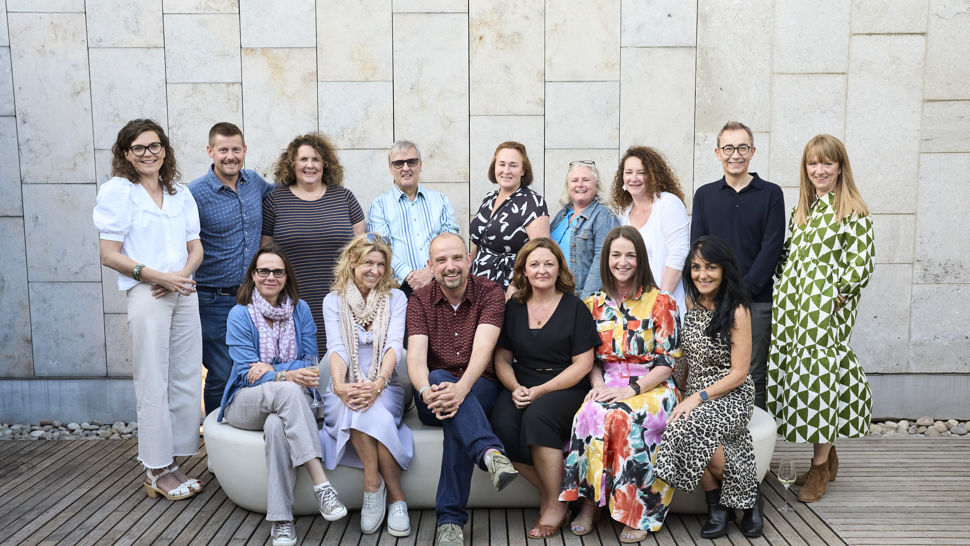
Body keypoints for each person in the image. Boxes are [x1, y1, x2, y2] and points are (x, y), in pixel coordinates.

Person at [94, 118, 204, 502]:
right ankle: (156, 470)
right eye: (139, 148)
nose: (148, 154)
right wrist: (157, 276)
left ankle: (173, 460)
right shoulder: (118, 192)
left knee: (187, 376)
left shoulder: (180, 193)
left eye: (154, 146)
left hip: (182, 289)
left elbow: (196, 247)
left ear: (164, 150)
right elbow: (109, 254)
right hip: (148, 293)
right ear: (126, 153)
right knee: (153, 378)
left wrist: (180, 276)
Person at [767, 134, 874, 503]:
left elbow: (861, 263)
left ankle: (818, 468)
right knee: (802, 384)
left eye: (827, 163)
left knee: (819, 382)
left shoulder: (853, 211)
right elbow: (789, 258)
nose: (819, 170)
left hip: (823, 315)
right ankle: (826, 457)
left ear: (840, 166)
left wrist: (835, 299)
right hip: (793, 313)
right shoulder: (806, 211)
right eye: (813, 163)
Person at [219, 244, 347, 546]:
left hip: (291, 402)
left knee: (277, 426)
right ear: (253, 275)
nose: (271, 277)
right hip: (245, 402)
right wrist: (285, 374)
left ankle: (281, 521)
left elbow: (311, 362)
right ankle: (322, 485)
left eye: (278, 271)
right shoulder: (240, 315)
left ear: (286, 276)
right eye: (264, 271)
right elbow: (243, 373)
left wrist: (272, 369)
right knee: (288, 388)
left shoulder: (299, 309)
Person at [560, 226, 681, 542]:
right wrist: (598, 385)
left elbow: (666, 364)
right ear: (606, 259)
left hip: (652, 386)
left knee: (626, 417)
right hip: (608, 381)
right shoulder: (594, 304)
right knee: (587, 415)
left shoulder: (661, 301)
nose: (623, 261)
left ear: (640, 258)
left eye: (630, 254)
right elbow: (592, 360)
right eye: (616, 255)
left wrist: (631, 390)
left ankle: (638, 512)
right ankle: (589, 504)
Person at [406, 232, 520, 546]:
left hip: (480, 386)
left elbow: (484, 350)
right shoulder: (419, 300)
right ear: (430, 266)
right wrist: (426, 391)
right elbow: (415, 357)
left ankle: (449, 523)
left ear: (469, 260)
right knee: (440, 375)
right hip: (433, 395)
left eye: (457, 257)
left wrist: (461, 389)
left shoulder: (490, 292)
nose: (450, 265)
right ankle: (490, 453)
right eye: (441, 260)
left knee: (456, 417)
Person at [491, 238, 600, 539]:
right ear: (524, 271)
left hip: (566, 386)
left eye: (549, 264)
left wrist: (540, 391)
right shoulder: (512, 307)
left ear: (559, 269)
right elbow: (501, 357)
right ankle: (558, 494)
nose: (542, 270)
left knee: (538, 417)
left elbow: (583, 364)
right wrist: (514, 386)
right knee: (500, 424)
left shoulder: (575, 307)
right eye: (535, 264)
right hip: (522, 382)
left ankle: (553, 506)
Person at [654, 236, 762, 539]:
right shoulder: (691, 302)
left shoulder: (738, 310)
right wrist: (679, 392)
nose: (702, 274)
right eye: (696, 267)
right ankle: (720, 504)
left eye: (711, 267)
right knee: (677, 426)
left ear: (724, 270)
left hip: (732, 392)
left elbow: (740, 373)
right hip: (697, 390)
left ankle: (746, 497)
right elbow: (687, 357)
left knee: (691, 428)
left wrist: (697, 399)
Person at [320, 234, 412, 536]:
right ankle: (386, 492)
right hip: (344, 383)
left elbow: (394, 346)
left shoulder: (396, 298)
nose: (375, 270)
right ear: (352, 262)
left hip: (387, 383)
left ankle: (378, 490)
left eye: (381, 264)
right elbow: (337, 347)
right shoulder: (333, 300)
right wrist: (338, 384)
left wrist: (378, 383)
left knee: (368, 408)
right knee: (358, 407)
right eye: (368, 263)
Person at [691, 121, 785, 410]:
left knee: (753, 375)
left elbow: (771, 249)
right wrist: (715, 295)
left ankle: (756, 447)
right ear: (718, 152)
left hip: (755, 301)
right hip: (712, 302)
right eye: (729, 148)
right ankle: (720, 442)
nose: (736, 154)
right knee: (713, 373)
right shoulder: (705, 195)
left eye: (742, 147)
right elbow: (699, 250)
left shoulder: (770, 194)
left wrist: (741, 294)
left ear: (752, 151)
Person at [189, 122, 275, 416]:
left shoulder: (255, 183)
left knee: (254, 368)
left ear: (245, 151)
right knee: (222, 372)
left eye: (235, 149)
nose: (230, 156)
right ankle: (216, 439)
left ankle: (244, 433)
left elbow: (288, 198)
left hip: (253, 298)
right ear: (210, 151)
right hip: (212, 299)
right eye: (223, 150)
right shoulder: (195, 194)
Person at [262, 133, 366, 355]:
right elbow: (265, 256)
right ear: (292, 164)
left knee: (342, 368)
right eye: (303, 159)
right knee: (302, 370)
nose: (310, 165)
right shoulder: (274, 201)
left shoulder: (344, 198)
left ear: (325, 164)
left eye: (316, 160)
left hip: (342, 302)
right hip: (292, 304)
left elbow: (363, 254)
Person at [367, 140, 459, 297]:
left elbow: (451, 242)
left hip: (440, 284)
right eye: (398, 163)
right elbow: (382, 249)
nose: (405, 168)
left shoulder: (440, 200)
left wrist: (430, 271)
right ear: (390, 168)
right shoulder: (379, 206)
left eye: (411, 161)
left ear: (420, 165)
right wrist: (410, 276)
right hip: (398, 289)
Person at [611, 146, 689, 317]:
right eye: (628, 172)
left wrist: (661, 300)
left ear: (653, 175)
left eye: (641, 172)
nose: (633, 178)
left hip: (664, 308)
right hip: (634, 311)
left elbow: (679, 254)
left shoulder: (668, 204)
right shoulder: (623, 215)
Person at [469, 141, 550, 294]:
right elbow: (479, 241)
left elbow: (540, 251)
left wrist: (514, 286)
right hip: (478, 283)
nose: (506, 170)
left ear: (523, 170)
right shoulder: (489, 198)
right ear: (494, 167)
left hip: (509, 286)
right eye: (501, 164)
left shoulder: (532, 201)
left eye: (513, 165)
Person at [549, 160, 619, 298]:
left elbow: (602, 261)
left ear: (596, 185)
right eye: (574, 180)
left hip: (579, 296)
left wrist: (585, 301)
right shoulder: (562, 215)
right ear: (568, 186)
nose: (579, 185)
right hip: (555, 295)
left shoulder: (604, 216)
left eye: (586, 180)